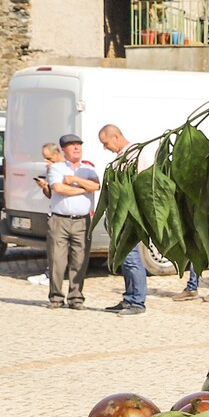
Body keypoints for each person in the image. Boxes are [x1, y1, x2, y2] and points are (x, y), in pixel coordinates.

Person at [42, 134, 100, 310]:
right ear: (64, 150)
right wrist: (83, 189)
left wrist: (74, 180)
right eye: (72, 145)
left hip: (82, 221)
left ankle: (76, 297)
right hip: (60, 219)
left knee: (80, 260)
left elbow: (96, 186)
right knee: (57, 260)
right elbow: (58, 189)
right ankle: (56, 297)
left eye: (78, 145)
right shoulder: (56, 169)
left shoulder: (88, 170)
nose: (76, 148)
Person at [97, 124, 146, 314]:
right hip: (121, 215)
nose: (105, 147)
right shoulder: (121, 156)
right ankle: (129, 299)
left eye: (105, 143)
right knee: (125, 258)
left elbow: (141, 182)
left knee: (132, 258)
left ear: (116, 137)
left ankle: (137, 302)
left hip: (130, 215)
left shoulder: (135, 154)